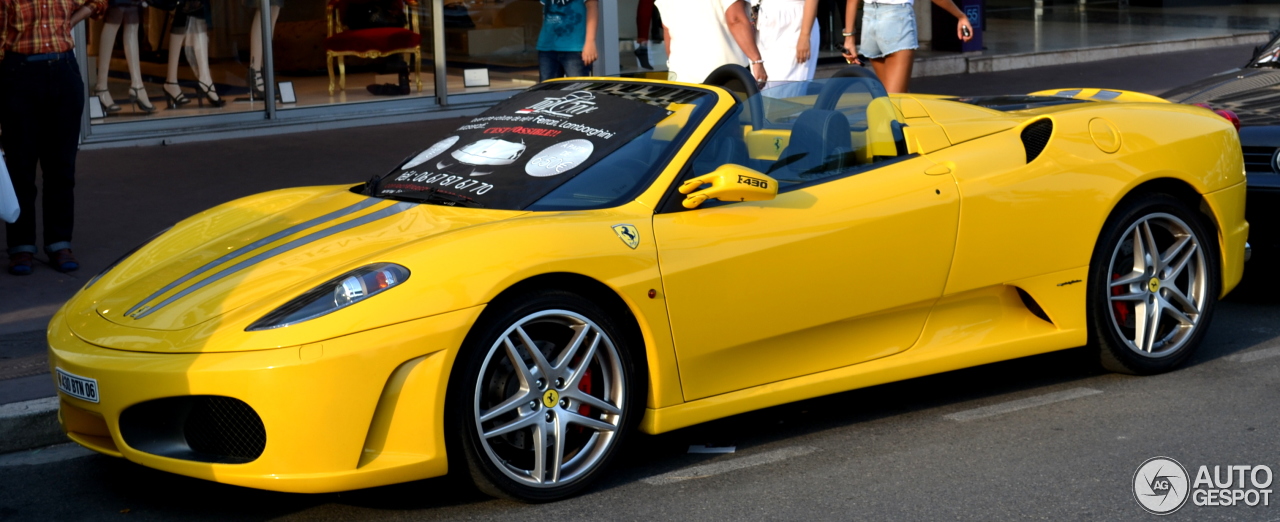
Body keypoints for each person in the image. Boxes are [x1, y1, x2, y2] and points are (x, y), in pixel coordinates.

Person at [0, 0, 106, 275]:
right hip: (20, 74)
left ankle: (60, 243)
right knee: (20, 167)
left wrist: (73, 20)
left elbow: (99, 2)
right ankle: (21, 246)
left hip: (64, 71)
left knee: (61, 167)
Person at [842, 0, 972, 93]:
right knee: (895, 103)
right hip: (896, 19)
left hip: (869, 20)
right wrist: (960, 15)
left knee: (893, 95)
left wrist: (849, 38)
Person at [656, 0, 766, 86]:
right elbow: (735, 19)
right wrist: (757, 60)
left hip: (682, 76)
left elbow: (668, 30)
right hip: (723, 75)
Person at [755, 0, 819, 90]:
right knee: (765, 87)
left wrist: (805, 35)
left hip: (795, 23)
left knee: (786, 87)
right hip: (766, 21)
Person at [537, 0, 598, 81]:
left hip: (575, 48)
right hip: (547, 46)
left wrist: (590, 42)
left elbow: (592, 7)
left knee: (577, 89)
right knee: (547, 90)